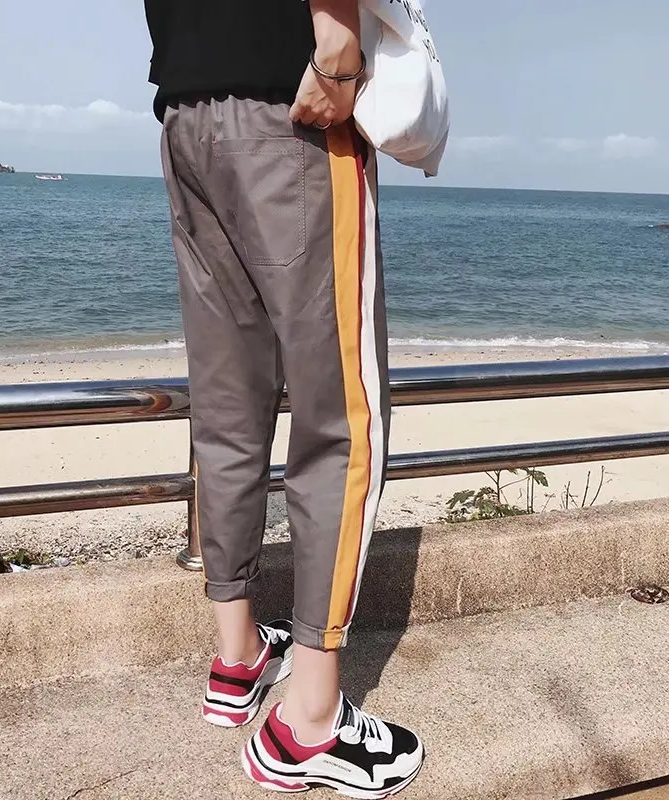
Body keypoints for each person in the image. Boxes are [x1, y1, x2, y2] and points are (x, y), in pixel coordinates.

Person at [144, 1, 424, 795]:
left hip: (187, 110)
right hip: (290, 104)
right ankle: (309, 724)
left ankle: (237, 659)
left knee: (227, 408)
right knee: (344, 424)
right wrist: (337, 47)